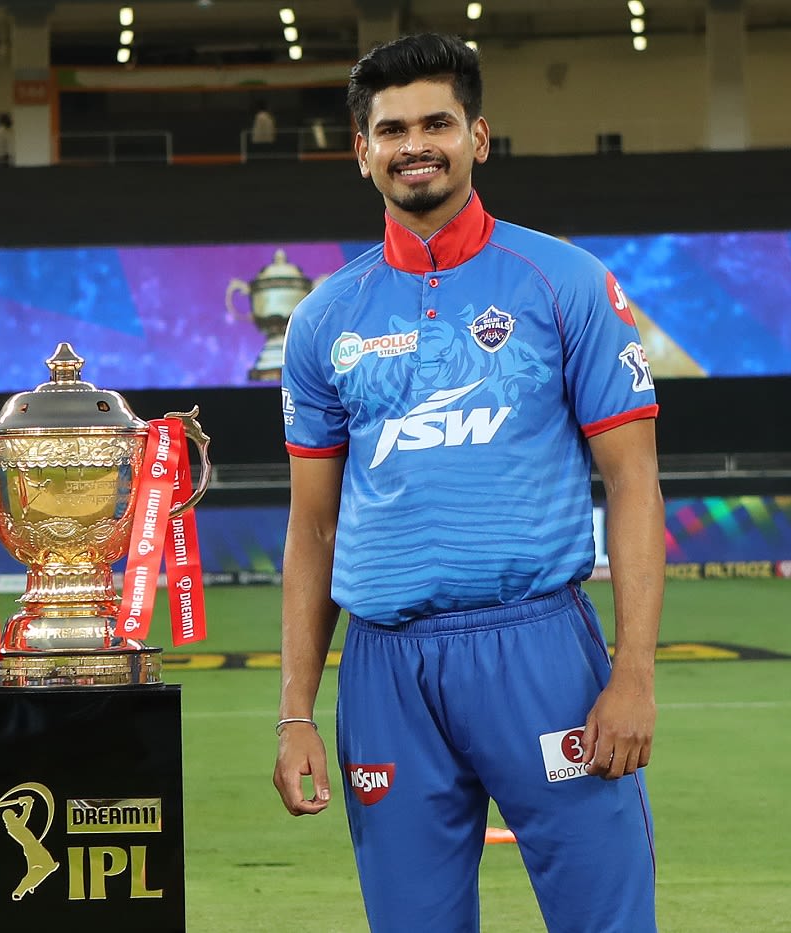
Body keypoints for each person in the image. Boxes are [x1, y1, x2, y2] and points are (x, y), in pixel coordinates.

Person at [272, 34, 662, 932]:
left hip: (540, 655)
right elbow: (313, 531)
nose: (417, 143)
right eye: (393, 127)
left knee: (606, 919)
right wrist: (295, 711)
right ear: (362, 151)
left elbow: (633, 484)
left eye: (438, 122)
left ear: (479, 137)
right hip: (385, 670)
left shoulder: (564, 281)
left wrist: (634, 674)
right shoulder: (323, 318)